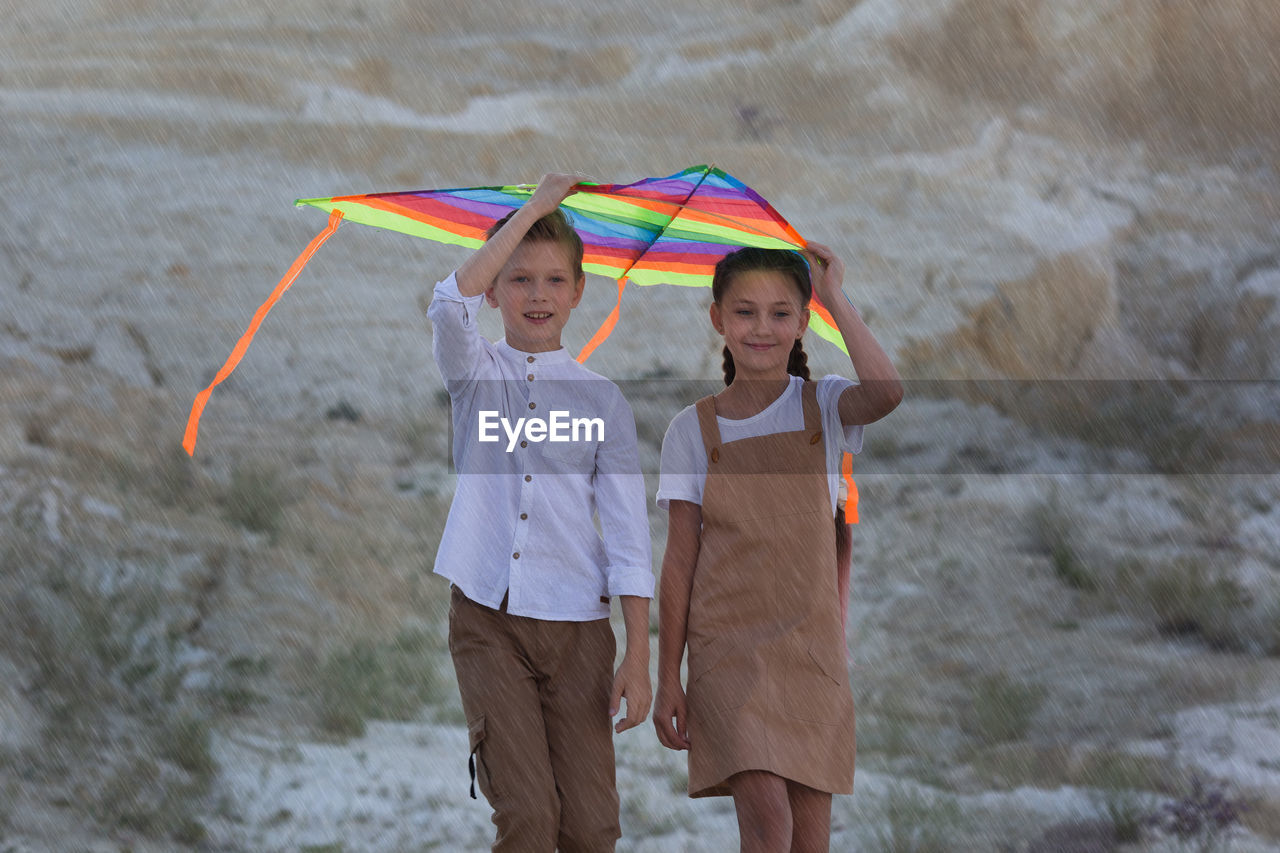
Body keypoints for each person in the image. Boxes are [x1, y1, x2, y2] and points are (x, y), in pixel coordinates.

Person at [425, 173, 654, 852]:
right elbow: (447, 302)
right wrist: (534, 211)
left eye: (555, 281)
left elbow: (629, 538)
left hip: (580, 629)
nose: (537, 296)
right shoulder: (474, 373)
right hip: (488, 619)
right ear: (495, 289)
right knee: (526, 818)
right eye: (520, 279)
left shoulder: (602, 401)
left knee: (591, 828)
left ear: (578, 292)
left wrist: (638, 655)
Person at [652, 244, 903, 852]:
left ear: (802, 322)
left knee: (809, 842)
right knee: (769, 825)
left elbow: (888, 390)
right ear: (717, 319)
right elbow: (680, 560)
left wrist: (835, 294)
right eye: (744, 312)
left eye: (780, 313)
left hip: (809, 654)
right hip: (727, 654)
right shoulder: (691, 430)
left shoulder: (824, 407)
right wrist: (668, 678)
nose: (761, 328)